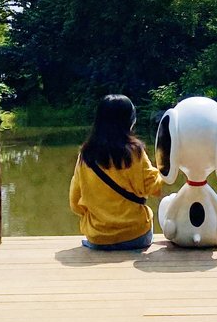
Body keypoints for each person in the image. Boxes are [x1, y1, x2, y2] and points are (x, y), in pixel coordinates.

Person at [69, 94, 164, 250]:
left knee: (93, 240)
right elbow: (154, 188)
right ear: (129, 121)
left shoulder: (86, 155)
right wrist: (163, 168)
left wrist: (93, 218)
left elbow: (75, 202)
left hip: (98, 237)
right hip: (137, 236)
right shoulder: (135, 152)